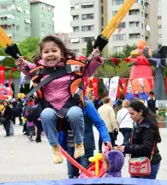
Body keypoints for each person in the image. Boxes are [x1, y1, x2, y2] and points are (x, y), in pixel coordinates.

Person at [15, 36, 103, 164]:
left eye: (54, 51)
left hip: (70, 107)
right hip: (51, 109)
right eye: (46, 52)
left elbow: (88, 69)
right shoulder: (39, 70)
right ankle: (55, 147)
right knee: (45, 114)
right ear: (41, 54)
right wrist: (20, 63)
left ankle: (79, 143)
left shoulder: (72, 67)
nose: (50, 54)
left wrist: (95, 58)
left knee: (75, 113)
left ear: (62, 52)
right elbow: (27, 68)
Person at [59, 99, 111, 179]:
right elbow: (59, 126)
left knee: (86, 176)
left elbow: (99, 123)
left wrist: (106, 138)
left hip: (85, 147)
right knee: (72, 176)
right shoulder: (63, 104)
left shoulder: (87, 105)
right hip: (70, 147)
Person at [116, 101, 161, 179]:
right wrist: (122, 147)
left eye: (132, 114)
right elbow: (134, 141)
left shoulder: (148, 125)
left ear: (140, 112)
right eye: (129, 113)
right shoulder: (137, 123)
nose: (130, 116)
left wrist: (126, 148)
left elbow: (147, 147)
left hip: (148, 163)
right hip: (137, 162)